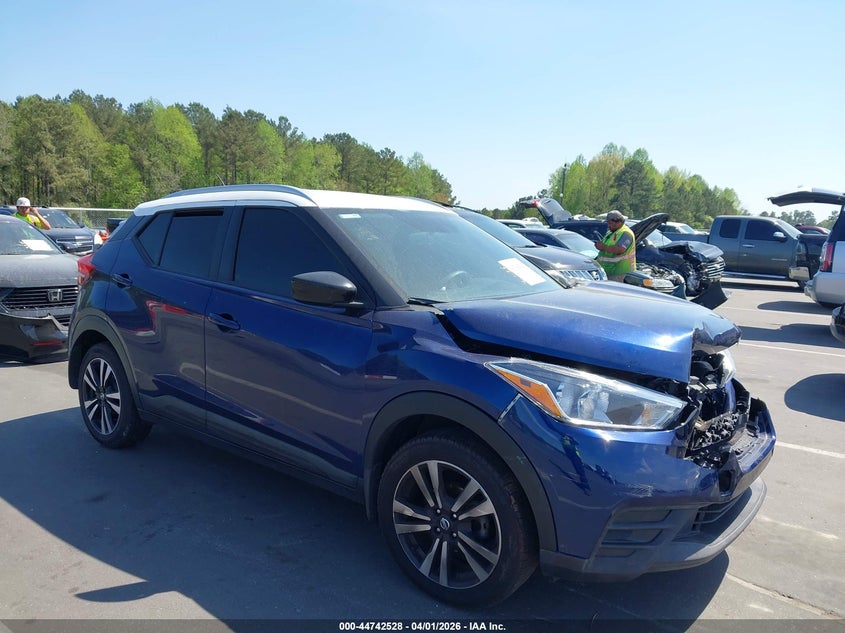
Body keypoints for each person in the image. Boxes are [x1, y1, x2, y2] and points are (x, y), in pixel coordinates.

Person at [594, 209, 635, 282]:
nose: (609, 225)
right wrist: (599, 246)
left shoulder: (626, 233)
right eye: (608, 223)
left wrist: (603, 247)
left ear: (619, 221)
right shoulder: (611, 232)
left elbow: (620, 249)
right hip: (608, 271)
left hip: (619, 272)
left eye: (610, 223)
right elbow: (606, 246)